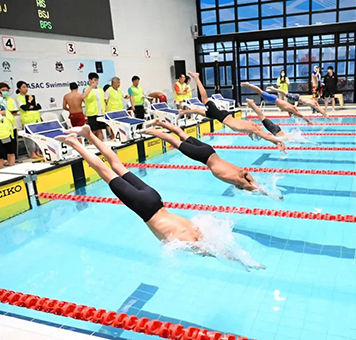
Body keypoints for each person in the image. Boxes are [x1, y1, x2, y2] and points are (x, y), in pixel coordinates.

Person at [54, 125, 264, 270]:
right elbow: (216, 252)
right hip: (145, 206)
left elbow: (218, 249)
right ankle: (75, 142)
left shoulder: (196, 227)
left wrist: (241, 259)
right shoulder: (191, 239)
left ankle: (89, 135)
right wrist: (240, 261)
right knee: (105, 171)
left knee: (117, 165)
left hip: (155, 198)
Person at [141, 119, 275, 196]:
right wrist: (265, 194)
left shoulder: (241, 171)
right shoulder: (236, 178)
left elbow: (249, 178)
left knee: (181, 134)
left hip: (209, 150)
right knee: (175, 142)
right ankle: (150, 131)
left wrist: (259, 187)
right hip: (203, 156)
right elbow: (248, 185)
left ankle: (160, 122)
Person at [181, 72, 286, 152]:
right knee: (204, 100)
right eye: (252, 137)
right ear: (254, 134)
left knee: (203, 111)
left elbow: (265, 135)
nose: (249, 136)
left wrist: (275, 143)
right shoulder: (252, 128)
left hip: (223, 115)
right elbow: (266, 136)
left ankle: (184, 111)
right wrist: (278, 141)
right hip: (222, 117)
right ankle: (196, 77)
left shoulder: (253, 126)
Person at [240, 82, 313, 125]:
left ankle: (249, 85)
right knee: (260, 92)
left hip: (274, 99)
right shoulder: (292, 109)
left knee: (260, 92)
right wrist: (308, 121)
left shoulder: (290, 107)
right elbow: (300, 115)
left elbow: (293, 112)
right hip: (274, 99)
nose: (291, 114)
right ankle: (248, 85)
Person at [16, 81, 42, 159]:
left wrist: (31, 106)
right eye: (23, 87)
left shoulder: (31, 96)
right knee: (30, 138)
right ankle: (32, 153)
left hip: (36, 120)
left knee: (37, 136)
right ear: (19, 89)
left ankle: (38, 151)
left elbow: (38, 106)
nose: (26, 89)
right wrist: (30, 102)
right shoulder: (19, 98)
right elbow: (25, 108)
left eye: (26, 87)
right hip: (28, 121)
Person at [82, 72, 106, 140]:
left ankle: (101, 144)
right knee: (93, 131)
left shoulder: (100, 89)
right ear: (90, 80)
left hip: (100, 112)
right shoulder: (86, 89)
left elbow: (102, 100)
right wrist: (91, 87)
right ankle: (92, 144)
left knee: (99, 130)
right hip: (92, 113)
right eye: (94, 80)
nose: (96, 82)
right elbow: (82, 97)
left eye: (97, 80)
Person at [0, 82, 18, 162]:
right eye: (3, 90)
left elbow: (14, 112)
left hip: (11, 127)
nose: (5, 92)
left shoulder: (11, 100)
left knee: (11, 150)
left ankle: (11, 163)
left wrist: (6, 113)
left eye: (7, 90)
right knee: (1, 150)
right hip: (1, 129)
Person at [0, 95, 15, 168]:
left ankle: (13, 167)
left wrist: (5, 113)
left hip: (8, 132)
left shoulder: (3, 106)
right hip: (0, 134)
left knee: (11, 152)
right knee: (0, 156)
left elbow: (11, 119)